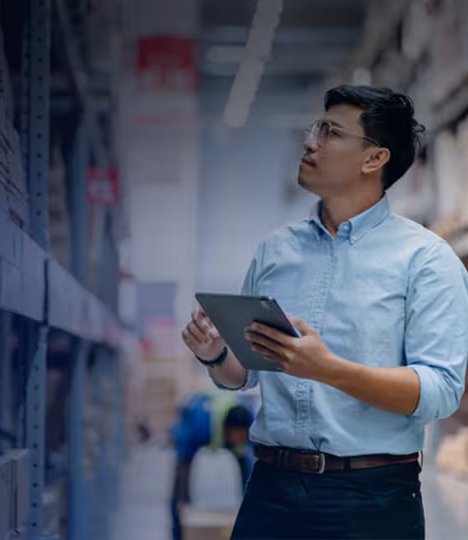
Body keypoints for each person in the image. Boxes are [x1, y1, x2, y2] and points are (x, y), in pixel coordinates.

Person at [181, 85, 468, 540]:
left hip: (372, 499)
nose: (310, 142)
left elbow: (440, 391)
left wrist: (330, 370)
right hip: (270, 490)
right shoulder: (276, 250)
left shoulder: (426, 260)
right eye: (315, 128)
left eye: (331, 132)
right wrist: (215, 353)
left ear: (374, 159)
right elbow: (245, 373)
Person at [168, 391, 254, 540]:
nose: (241, 441)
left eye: (244, 437)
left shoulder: (251, 422)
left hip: (226, 438)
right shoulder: (200, 426)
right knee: (180, 500)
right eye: (239, 436)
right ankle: (181, 534)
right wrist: (184, 499)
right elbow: (185, 458)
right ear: (227, 430)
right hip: (189, 449)